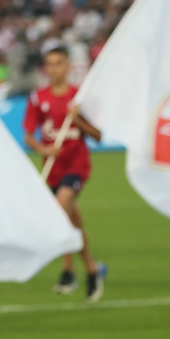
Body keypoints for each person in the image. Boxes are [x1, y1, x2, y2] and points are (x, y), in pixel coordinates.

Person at [23, 45, 106, 302]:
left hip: (76, 165)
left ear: (68, 66)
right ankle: (91, 268)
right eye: (49, 64)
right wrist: (45, 148)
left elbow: (98, 135)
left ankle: (67, 269)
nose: (53, 69)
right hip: (53, 169)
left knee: (60, 207)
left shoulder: (79, 98)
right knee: (71, 220)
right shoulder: (38, 98)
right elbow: (28, 136)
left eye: (58, 63)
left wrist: (78, 119)